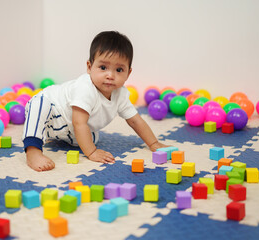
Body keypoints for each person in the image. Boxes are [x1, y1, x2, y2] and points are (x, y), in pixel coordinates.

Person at [22, 31, 168, 172]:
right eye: (103, 67)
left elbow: (135, 121)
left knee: (92, 137)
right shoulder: (85, 88)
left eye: (119, 70)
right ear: (89, 67)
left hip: (69, 129)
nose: (110, 75)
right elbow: (79, 122)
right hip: (53, 114)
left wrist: (153, 143)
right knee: (39, 104)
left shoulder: (121, 94)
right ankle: (33, 151)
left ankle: (60, 140)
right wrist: (91, 152)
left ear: (128, 73)